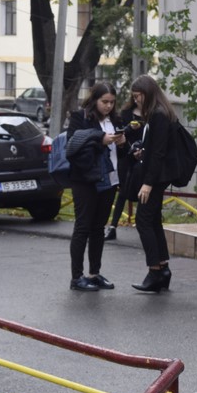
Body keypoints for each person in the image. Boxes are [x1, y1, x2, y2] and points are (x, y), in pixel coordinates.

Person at [64, 83, 124, 291]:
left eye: (112, 102)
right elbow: (73, 146)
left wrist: (123, 143)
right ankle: (76, 277)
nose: (108, 106)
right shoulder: (80, 118)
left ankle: (94, 274)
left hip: (110, 180)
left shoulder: (115, 120)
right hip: (85, 180)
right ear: (94, 100)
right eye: (104, 102)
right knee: (83, 226)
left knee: (98, 228)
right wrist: (101, 139)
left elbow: (119, 153)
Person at [128, 75, 178, 292]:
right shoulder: (159, 112)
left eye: (138, 96)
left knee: (143, 221)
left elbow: (159, 152)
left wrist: (147, 183)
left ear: (147, 94)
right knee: (153, 220)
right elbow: (154, 149)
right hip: (157, 176)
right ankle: (163, 268)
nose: (136, 101)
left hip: (155, 178)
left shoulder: (158, 115)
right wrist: (142, 152)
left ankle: (154, 271)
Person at [105, 99, 145, 241]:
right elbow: (119, 134)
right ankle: (112, 227)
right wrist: (129, 128)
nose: (138, 99)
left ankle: (144, 227)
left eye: (140, 95)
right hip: (126, 157)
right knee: (122, 192)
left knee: (143, 193)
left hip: (143, 158)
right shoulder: (126, 113)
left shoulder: (152, 114)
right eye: (135, 95)